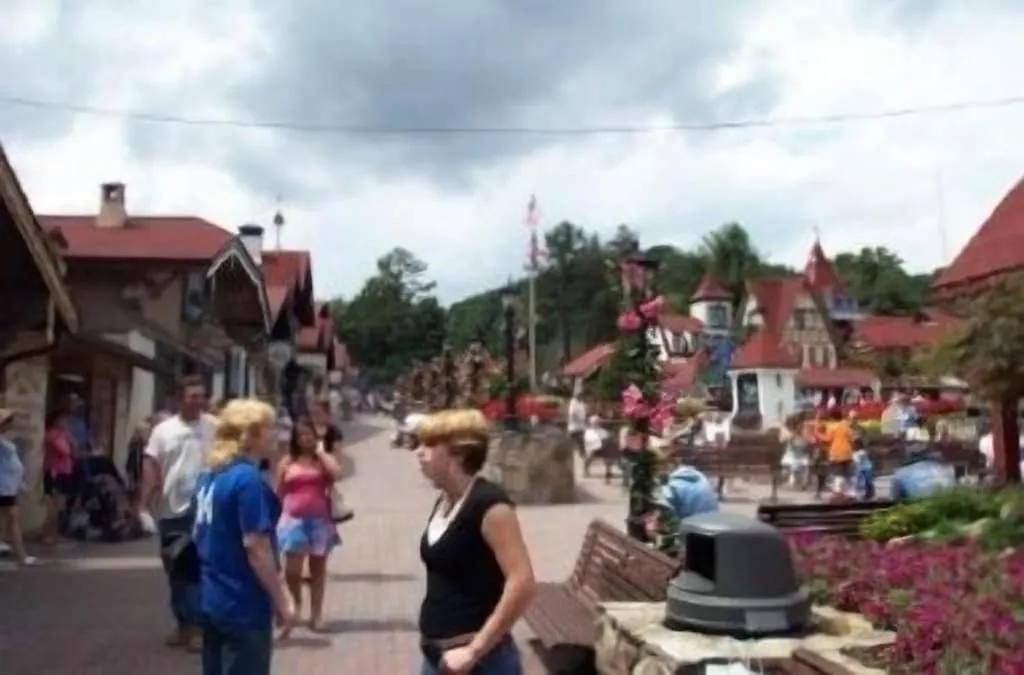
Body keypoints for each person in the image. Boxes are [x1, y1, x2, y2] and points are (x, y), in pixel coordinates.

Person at [416, 408, 536, 674]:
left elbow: (522, 583)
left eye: (430, 444)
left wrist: (474, 650)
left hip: (479, 662)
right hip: (436, 656)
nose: (419, 452)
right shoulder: (446, 500)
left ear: (459, 452)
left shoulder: (490, 506)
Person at [193, 399, 293, 675]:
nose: (274, 435)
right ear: (250, 435)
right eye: (269, 428)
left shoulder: (209, 476)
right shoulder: (246, 479)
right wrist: (282, 599)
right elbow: (256, 546)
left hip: (213, 598)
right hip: (243, 602)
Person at [140, 375, 218, 651]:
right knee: (175, 567)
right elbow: (151, 464)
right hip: (171, 509)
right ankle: (183, 622)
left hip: (206, 509)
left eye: (202, 396)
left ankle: (197, 626)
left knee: (196, 567)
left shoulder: (215, 427)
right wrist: (143, 503)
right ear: (179, 399)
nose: (199, 401)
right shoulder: (163, 430)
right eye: (193, 396)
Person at [275, 416, 343, 633]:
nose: (306, 439)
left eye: (309, 435)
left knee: (318, 570)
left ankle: (316, 614)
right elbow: (279, 491)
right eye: (301, 435)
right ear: (295, 439)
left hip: (319, 521)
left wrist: (321, 452)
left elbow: (337, 474)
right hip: (292, 521)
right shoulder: (287, 462)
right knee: (292, 571)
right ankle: (296, 603)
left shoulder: (322, 460)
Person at [0, 408, 35, 566]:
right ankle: (21, 555)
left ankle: (19, 553)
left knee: (10, 519)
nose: (10, 424)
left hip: (9, 486)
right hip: (4, 486)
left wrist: (21, 484)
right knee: (12, 520)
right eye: (7, 421)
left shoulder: (5, 441)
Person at [42, 409, 76, 544]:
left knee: (61, 506)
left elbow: (74, 451)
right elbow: (64, 450)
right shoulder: (51, 435)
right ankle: (47, 533)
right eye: (63, 420)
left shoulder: (64, 435)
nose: (65, 423)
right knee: (55, 507)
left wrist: (71, 440)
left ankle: (55, 533)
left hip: (65, 471)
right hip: (55, 472)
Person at [891, 443, 956, 501]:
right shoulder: (946, 468)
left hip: (916, 506)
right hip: (945, 505)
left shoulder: (901, 473)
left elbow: (895, 498)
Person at [817, 409, 857, 495]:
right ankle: (851, 492)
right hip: (847, 452)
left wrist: (818, 435)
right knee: (848, 473)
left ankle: (838, 491)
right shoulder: (845, 425)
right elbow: (852, 437)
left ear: (831, 417)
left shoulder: (831, 427)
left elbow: (828, 439)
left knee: (838, 473)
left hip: (836, 452)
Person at [779, 415, 810, 489]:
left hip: (801, 453)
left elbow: (807, 441)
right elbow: (782, 440)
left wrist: (805, 439)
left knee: (804, 468)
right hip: (793, 453)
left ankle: (803, 484)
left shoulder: (803, 430)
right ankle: (792, 480)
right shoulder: (790, 432)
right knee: (788, 468)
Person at [566, 390, 587, 458]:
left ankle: (582, 455)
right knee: (574, 441)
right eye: (581, 396)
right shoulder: (573, 403)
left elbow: (583, 413)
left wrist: (584, 419)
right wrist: (579, 419)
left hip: (581, 426)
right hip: (574, 427)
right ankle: (570, 454)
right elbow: (572, 414)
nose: (582, 397)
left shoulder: (581, 403)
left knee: (581, 442)